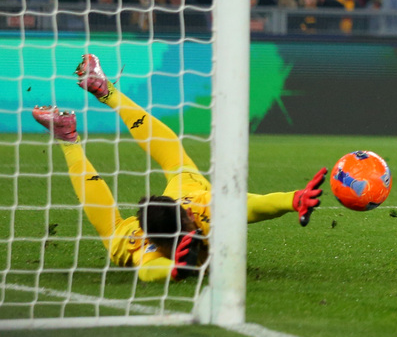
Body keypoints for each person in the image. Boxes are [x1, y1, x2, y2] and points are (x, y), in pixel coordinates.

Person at [32, 55, 326, 282]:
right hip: (176, 207)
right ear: (155, 240)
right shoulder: (141, 242)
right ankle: (68, 137)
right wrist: (172, 269)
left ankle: (101, 98)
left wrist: (294, 199)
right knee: (115, 232)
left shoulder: (206, 208)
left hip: (189, 193)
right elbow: (148, 270)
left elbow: (254, 206)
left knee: (175, 161)